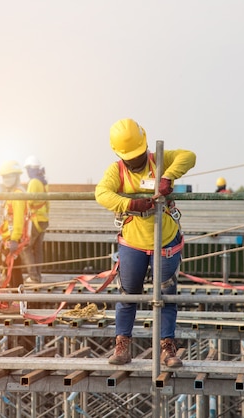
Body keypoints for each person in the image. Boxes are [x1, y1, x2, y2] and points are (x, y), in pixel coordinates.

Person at [94, 118, 196, 367]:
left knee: (166, 295)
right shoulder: (116, 171)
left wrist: (168, 177)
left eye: (138, 154)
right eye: (129, 157)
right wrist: (130, 203)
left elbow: (189, 156)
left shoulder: (159, 161)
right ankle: (122, 346)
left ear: (146, 145)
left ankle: (166, 348)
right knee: (128, 295)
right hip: (133, 243)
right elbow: (101, 193)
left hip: (165, 242)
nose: (135, 160)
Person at [0, 160, 30, 314]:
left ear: (16, 177)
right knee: (11, 271)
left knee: (14, 272)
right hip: (8, 240)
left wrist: (14, 240)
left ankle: (17, 303)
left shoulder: (17, 195)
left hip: (13, 241)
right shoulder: (10, 195)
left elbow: (17, 220)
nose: (6, 179)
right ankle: (16, 302)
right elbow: (7, 220)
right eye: (4, 177)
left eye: (9, 176)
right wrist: (3, 240)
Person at [20, 155, 49, 284]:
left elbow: (29, 201)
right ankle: (38, 277)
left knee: (25, 247)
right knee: (37, 249)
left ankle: (33, 276)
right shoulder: (43, 182)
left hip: (35, 220)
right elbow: (47, 203)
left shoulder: (33, 182)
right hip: (43, 219)